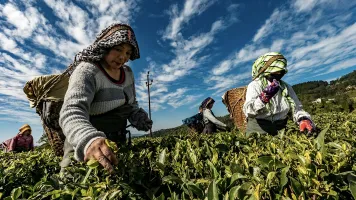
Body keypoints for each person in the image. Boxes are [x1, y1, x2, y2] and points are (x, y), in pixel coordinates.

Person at [59, 23, 152, 174]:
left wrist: (137, 116)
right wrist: (89, 140)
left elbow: (131, 103)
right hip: (84, 141)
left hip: (116, 140)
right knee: (72, 184)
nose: (123, 57)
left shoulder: (128, 74)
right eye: (118, 49)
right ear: (105, 46)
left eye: (128, 53)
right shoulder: (87, 70)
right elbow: (72, 110)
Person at [243, 52, 316, 136]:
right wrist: (264, 97)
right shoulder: (255, 85)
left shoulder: (286, 87)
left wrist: (303, 118)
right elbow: (249, 112)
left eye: (281, 72)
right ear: (266, 70)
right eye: (275, 72)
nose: (279, 74)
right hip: (258, 131)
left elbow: (297, 108)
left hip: (281, 131)